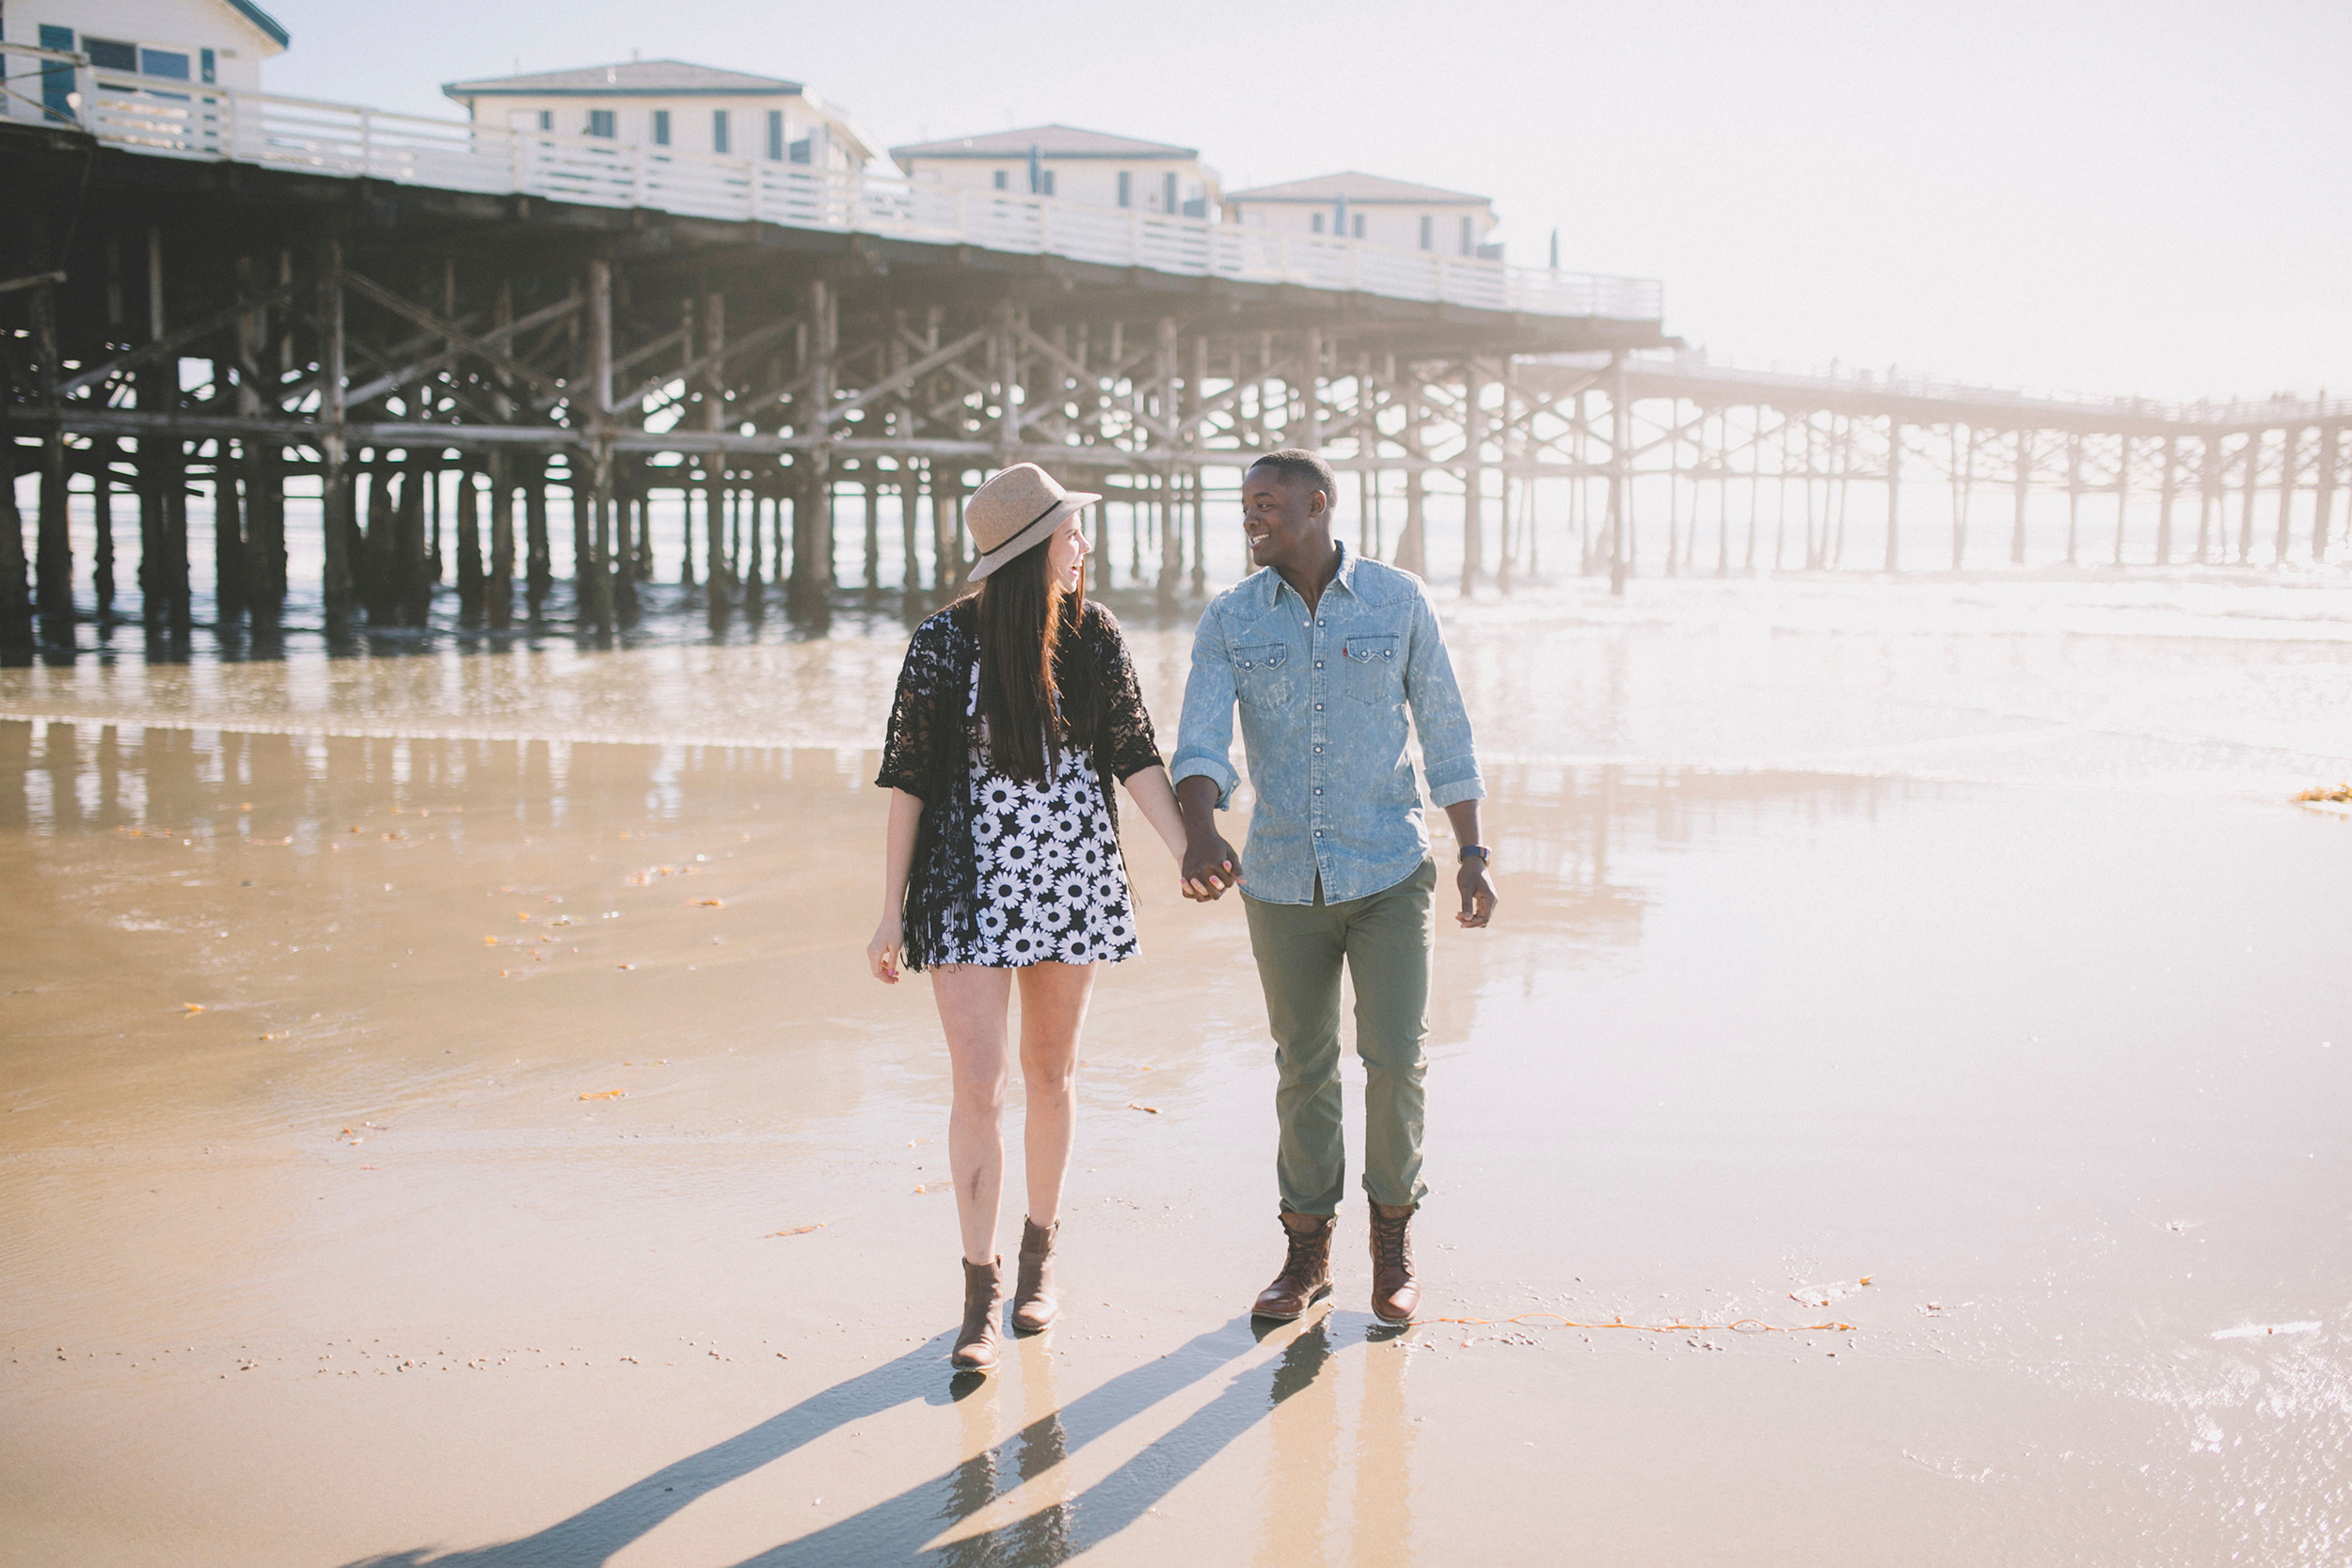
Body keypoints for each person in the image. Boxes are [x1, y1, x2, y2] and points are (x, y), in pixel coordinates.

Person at [868, 462, 1190, 1375]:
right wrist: (886, 912)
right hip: (965, 886)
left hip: (1070, 881)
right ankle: (978, 1287)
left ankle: (1039, 1257)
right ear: (1033, 549)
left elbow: (1134, 755)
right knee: (980, 1082)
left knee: (1050, 1072)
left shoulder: (1093, 636)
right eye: (1070, 531)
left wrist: (1188, 852)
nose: (1083, 545)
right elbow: (909, 781)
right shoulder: (941, 644)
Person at [1170, 448, 1496, 1328]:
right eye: (1246, 505)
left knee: (1395, 1060)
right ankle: (1306, 1252)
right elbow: (1200, 738)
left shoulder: (1398, 600)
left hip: (1389, 868)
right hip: (1279, 878)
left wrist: (1472, 851)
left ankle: (1393, 1245)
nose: (1253, 518)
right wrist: (1200, 825)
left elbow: (1445, 727)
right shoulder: (1233, 618)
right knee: (1302, 1068)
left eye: (1269, 504)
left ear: (1319, 505)